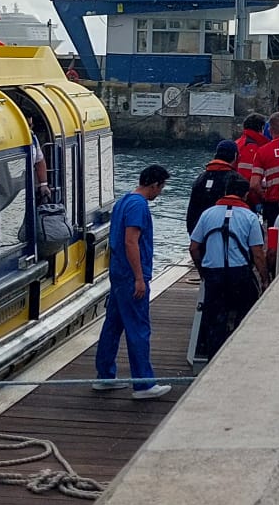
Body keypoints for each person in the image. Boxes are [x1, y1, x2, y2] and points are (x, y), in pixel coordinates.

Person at [95, 165, 172, 399]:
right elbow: (132, 242)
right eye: (161, 187)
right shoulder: (139, 206)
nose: (160, 192)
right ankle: (144, 383)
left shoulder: (123, 201)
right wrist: (140, 278)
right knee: (138, 327)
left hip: (118, 273)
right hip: (131, 275)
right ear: (154, 184)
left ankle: (104, 376)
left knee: (113, 325)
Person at [188, 176, 267, 361]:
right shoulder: (250, 217)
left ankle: (213, 357)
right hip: (239, 274)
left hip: (214, 274)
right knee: (245, 312)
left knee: (215, 318)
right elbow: (257, 254)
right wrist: (264, 279)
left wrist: (202, 272)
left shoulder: (207, 214)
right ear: (246, 195)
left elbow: (193, 247)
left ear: (224, 192)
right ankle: (239, 355)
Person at [186, 140, 242, 232]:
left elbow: (191, 212)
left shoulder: (200, 179)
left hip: (199, 232)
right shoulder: (236, 179)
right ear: (235, 156)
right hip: (223, 235)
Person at [234, 113, 269, 187]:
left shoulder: (238, 143)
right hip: (248, 195)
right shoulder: (252, 147)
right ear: (262, 128)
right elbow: (247, 177)